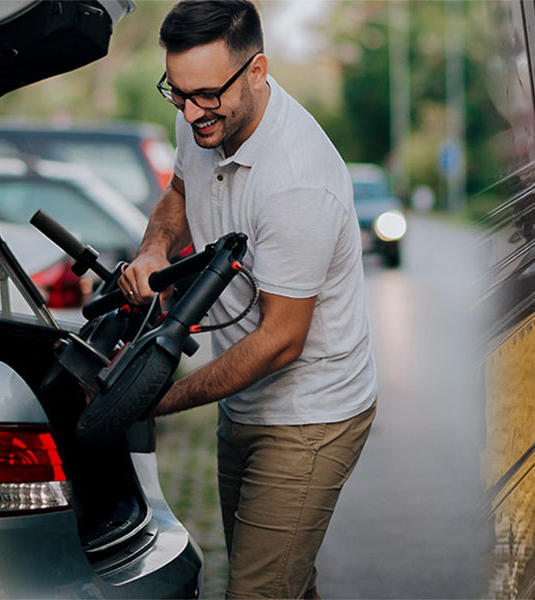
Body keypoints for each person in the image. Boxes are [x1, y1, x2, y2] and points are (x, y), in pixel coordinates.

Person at [117, 0, 378, 597]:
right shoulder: (202, 121)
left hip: (310, 415)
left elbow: (280, 340)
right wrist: (155, 251)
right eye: (177, 93)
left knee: (257, 592)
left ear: (257, 71)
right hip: (245, 402)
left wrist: (157, 399)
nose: (190, 113)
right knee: (285, 582)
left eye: (205, 95)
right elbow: (179, 193)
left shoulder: (298, 183)